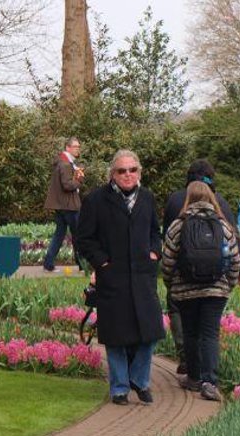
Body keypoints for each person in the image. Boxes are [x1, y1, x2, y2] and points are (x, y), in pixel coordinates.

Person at [76, 149, 165, 406]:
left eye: (132, 170)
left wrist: (154, 253)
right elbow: (84, 239)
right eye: (121, 171)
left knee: (150, 332)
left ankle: (139, 379)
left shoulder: (147, 198)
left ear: (139, 172)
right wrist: (101, 261)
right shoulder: (95, 200)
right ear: (112, 174)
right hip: (113, 277)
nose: (127, 175)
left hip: (142, 277)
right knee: (115, 335)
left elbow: (155, 232)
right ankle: (119, 388)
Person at [161, 181, 240, 402]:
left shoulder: (179, 224)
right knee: (210, 334)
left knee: (190, 333)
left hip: (185, 290)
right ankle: (209, 382)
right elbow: (234, 258)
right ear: (211, 198)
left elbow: (167, 259)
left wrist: (171, 284)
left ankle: (194, 378)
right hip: (215, 290)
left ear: (188, 198)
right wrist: (229, 284)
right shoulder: (222, 224)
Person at [43, 137, 85, 271]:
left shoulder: (63, 162)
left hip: (61, 206)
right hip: (69, 206)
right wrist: (80, 179)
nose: (77, 149)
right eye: (75, 147)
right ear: (67, 148)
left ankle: (48, 264)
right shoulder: (66, 164)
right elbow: (67, 185)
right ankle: (82, 264)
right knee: (78, 235)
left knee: (59, 234)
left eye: (78, 146)